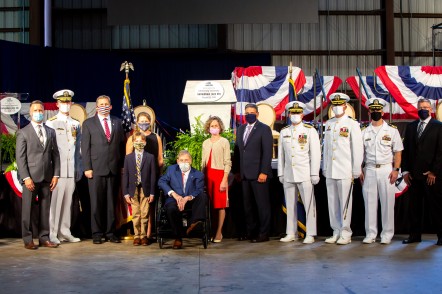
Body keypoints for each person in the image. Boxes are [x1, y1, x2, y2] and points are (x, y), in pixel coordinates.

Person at [16, 100, 60, 249]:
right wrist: (26, 177)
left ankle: (44, 237)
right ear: (30, 112)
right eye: (35, 110)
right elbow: (20, 158)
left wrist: (56, 175)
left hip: (47, 176)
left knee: (45, 209)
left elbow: (56, 155)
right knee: (27, 209)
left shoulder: (50, 131)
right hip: (30, 178)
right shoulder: (23, 132)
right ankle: (28, 239)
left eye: (41, 110)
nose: (38, 113)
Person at [81, 95, 125, 244]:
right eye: (101, 104)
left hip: (113, 169)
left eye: (106, 104)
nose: (104, 106)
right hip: (95, 169)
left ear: (111, 106)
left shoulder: (118, 122)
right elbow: (85, 147)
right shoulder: (88, 124)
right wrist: (87, 167)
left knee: (112, 204)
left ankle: (111, 232)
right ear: (97, 106)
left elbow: (121, 146)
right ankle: (97, 233)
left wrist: (122, 165)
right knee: (96, 203)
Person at [360, 98, 403, 245]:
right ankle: (371, 233)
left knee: (387, 204)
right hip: (370, 169)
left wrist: (396, 170)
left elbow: (398, 152)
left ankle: (387, 234)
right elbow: (360, 153)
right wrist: (359, 169)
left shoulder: (392, 130)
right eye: (373, 110)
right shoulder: (364, 131)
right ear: (369, 111)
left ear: (383, 111)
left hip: (386, 169)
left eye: (378, 110)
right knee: (369, 203)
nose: (376, 112)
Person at [322, 93, 363, 245]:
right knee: (332, 203)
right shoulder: (329, 123)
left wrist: (356, 169)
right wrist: (324, 166)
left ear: (346, 106)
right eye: (335, 105)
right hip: (331, 169)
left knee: (345, 202)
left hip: (345, 169)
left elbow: (357, 148)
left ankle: (346, 232)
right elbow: (326, 148)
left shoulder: (352, 124)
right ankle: (336, 230)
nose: (337, 107)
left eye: (340, 105)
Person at [277, 101, 321, 244]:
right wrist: (281, 173)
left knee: (308, 204)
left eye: (297, 113)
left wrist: (314, 173)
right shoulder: (284, 131)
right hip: (289, 173)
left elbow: (315, 154)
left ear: (302, 114)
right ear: (289, 114)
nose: (295, 115)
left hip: (305, 173)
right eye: (292, 113)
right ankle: (291, 232)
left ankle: (310, 233)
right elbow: (281, 155)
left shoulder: (310, 131)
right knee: (290, 204)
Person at [401, 98, 442, 246]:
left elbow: (440, 152)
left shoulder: (438, 126)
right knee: (414, 208)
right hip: (413, 175)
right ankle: (414, 236)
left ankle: (441, 236)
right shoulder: (411, 127)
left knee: (436, 207)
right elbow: (406, 151)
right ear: (417, 109)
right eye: (420, 107)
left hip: (431, 176)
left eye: (426, 107)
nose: (423, 109)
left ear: (430, 109)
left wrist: (434, 172)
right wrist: (405, 171)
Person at [46, 89, 82, 244]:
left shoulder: (76, 123)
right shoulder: (51, 123)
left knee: (67, 203)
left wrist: (78, 169)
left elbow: (78, 148)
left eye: (68, 102)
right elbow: (49, 150)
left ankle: (65, 231)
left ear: (72, 103)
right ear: (57, 104)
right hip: (58, 171)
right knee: (55, 203)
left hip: (71, 169)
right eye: (63, 102)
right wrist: (52, 171)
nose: (66, 105)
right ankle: (52, 233)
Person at [233, 103, 273, 243]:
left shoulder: (264, 129)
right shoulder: (241, 128)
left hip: (258, 174)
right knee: (247, 206)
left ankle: (263, 233)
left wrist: (264, 172)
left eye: (252, 112)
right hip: (244, 175)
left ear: (257, 114)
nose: (249, 114)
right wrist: (237, 171)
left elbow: (267, 152)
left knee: (262, 206)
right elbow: (238, 151)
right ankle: (251, 232)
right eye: (247, 112)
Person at [158, 150, 208, 249]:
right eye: (181, 160)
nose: (184, 162)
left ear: (191, 161)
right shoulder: (171, 170)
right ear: (177, 161)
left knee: (202, 195)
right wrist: (174, 194)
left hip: (190, 200)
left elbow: (199, 189)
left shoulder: (198, 174)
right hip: (174, 199)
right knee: (171, 208)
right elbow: (161, 182)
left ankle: (194, 222)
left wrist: (188, 197)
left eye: (186, 160)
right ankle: (178, 238)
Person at [126, 111, 163, 243]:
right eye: (140, 121)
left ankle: (148, 233)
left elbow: (160, 159)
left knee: (149, 207)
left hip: (150, 173)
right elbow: (128, 159)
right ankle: (139, 234)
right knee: (137, 209)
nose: (143, 123)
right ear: (137, 122)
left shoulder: (155, 137)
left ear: (150, 122)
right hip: (136, 175)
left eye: (145, 121)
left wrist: (157, 171)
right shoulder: (133, 138)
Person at [122, 131, 156, 246]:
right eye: (136, 141)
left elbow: (153, 176)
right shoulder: (128, 158)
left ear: (145, 142)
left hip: (145, 189)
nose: (139, 143)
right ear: (133, 143)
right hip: (133, 189)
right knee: (136, 213)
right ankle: (137, 235)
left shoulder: (150, 157)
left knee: (145, 213)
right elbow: (125, 175)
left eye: (141, 141)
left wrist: (152, 193)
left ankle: (144, 236)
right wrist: (125, 193)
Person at [202, 116, 232, 243]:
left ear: (220, 128)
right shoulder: (205, 143)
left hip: (219, 175)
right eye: (212, 126)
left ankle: (219, 232)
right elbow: (203, 162)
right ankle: (211, 231)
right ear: (208, 128)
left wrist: (224, 180)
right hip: (207, 176)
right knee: (210, 205)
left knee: (220, 206)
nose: (214, 128)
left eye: (216, 126)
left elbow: (228, 162)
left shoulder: (224, 141)